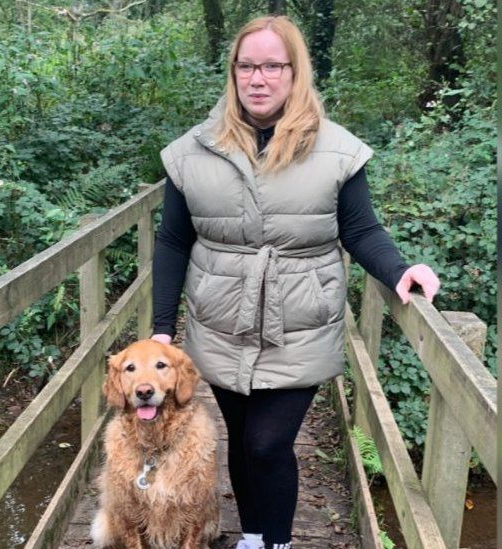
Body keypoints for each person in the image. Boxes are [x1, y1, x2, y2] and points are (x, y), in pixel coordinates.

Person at [149, 15, 440, 549]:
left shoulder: (336, 150)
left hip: (300, 321)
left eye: (272, 66)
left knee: (267, 443)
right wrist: (162, 329)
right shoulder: (192, 152)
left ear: (295, 71)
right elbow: (172, 241)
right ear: (233, 72)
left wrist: (401, 270)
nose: (258, 78)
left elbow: (360, 229)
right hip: (220, 319)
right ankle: (254, 537)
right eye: (247, 66)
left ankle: (277, 542)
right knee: (240, 438)